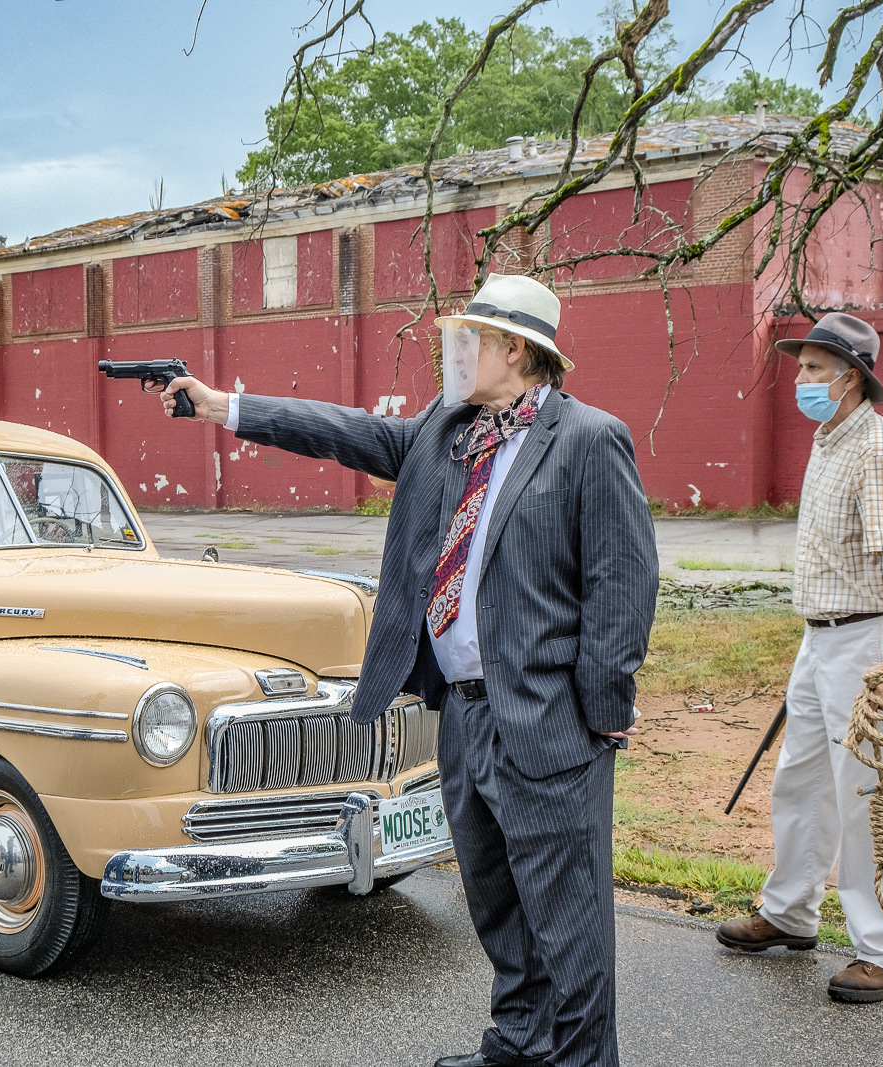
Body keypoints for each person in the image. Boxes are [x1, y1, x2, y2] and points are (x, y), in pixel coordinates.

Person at [161, 274, 658, 1067]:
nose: (453, 352)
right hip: (463, 716)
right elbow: (345, 430)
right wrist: (225, 407)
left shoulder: (589, 440)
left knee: (569, 920)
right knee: (496, 901)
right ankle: (520, 1041)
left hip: (549, 722)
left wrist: (601, 711)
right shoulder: (445, 430)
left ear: (517, 350)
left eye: (471, 339)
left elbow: (622, 584)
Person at [716, 312, 883, 1003]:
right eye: (800, 366)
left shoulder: (881, 450)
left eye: (813, 368)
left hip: (867, 643)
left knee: (870, 797)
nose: (800, 379)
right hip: (822, 638)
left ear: (852, 376)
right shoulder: (830, 439)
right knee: (801, 780)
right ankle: (790, 911)